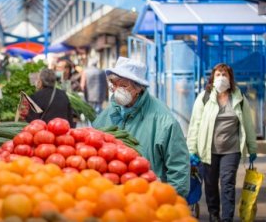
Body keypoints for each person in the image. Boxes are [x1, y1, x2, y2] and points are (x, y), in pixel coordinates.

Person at [92, 57, 190, 197]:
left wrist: (169, 202)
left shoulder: (164, 122)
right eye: (114, 84)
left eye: (124, 86)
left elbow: (179, 169)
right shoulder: (104, 117)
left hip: (147, 199)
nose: (117, 90)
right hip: (111, 200)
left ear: (139, 88)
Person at [187, 63, 257, 222]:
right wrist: (192, 150)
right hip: (207, 149)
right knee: (210, 185)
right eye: (218, 74)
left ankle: (227, 218)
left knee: (228, 184)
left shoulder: (239, 98)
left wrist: (252, 147)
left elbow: (247, 124)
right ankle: (214, 214)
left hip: (231, 150)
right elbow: (195, 125)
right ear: (212, 78)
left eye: (224, 74)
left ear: (230, 78)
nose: (221, 78)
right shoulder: (204, 97)